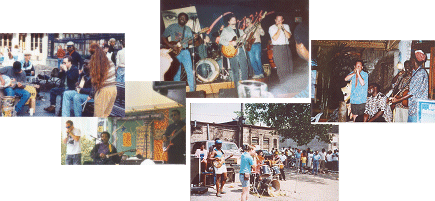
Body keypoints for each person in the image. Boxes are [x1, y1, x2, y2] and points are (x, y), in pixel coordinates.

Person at [161, 12, 197, 92]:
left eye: (184, 18)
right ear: (178, 18)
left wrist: (194, 38)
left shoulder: (187, 29)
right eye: (181, 17)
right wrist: (171, 46)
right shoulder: (172, 27)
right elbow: (163, 37)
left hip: (185, 52)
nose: (182, 19)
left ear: (186, 20)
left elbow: (190, 42)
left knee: (190, 71)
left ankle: (192, 90)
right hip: (175, 53)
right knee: (177, 73)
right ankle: (178, 91)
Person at [391, 50, 429, 123]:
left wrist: (398, 100)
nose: (410, 60)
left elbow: (412, 92)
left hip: (417, 110)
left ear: (414, 60)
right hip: (412, 109)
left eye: (411, 59)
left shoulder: (420, 73)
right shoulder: (416, 72)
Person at [219, 14, 249, 90]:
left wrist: (244, 38)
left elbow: (243, 42)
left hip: (241, 50)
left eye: (235, 20)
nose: (234, 21)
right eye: (232, 20)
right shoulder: (225, 30)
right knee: (235, 70)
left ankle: (245, 86)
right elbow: (221, 40)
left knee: (244, 68)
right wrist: (230, 43)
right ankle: (237, 88)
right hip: (232, 51)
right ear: (229, 21)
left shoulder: (240, 30)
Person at [88, 43, 117, 117]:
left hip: (104, 91)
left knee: (98, 117)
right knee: (105, 116)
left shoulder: (97, 63)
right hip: (113, 89)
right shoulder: (108, 60)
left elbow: (95, 81)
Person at [268, 15, 293, 83]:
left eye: (280, 20)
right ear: (275, 20)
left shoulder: (286, 26)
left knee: (289, 66)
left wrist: (283, 29)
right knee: (281, 67)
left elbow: (288, 36)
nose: (279, 22)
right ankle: (283, 83)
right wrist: (279, 29)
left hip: (286, 47)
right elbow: (275, 38)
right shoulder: (272, 28)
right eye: (277, 20)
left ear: (283, 20)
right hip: (277, 48)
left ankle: (289, 83)